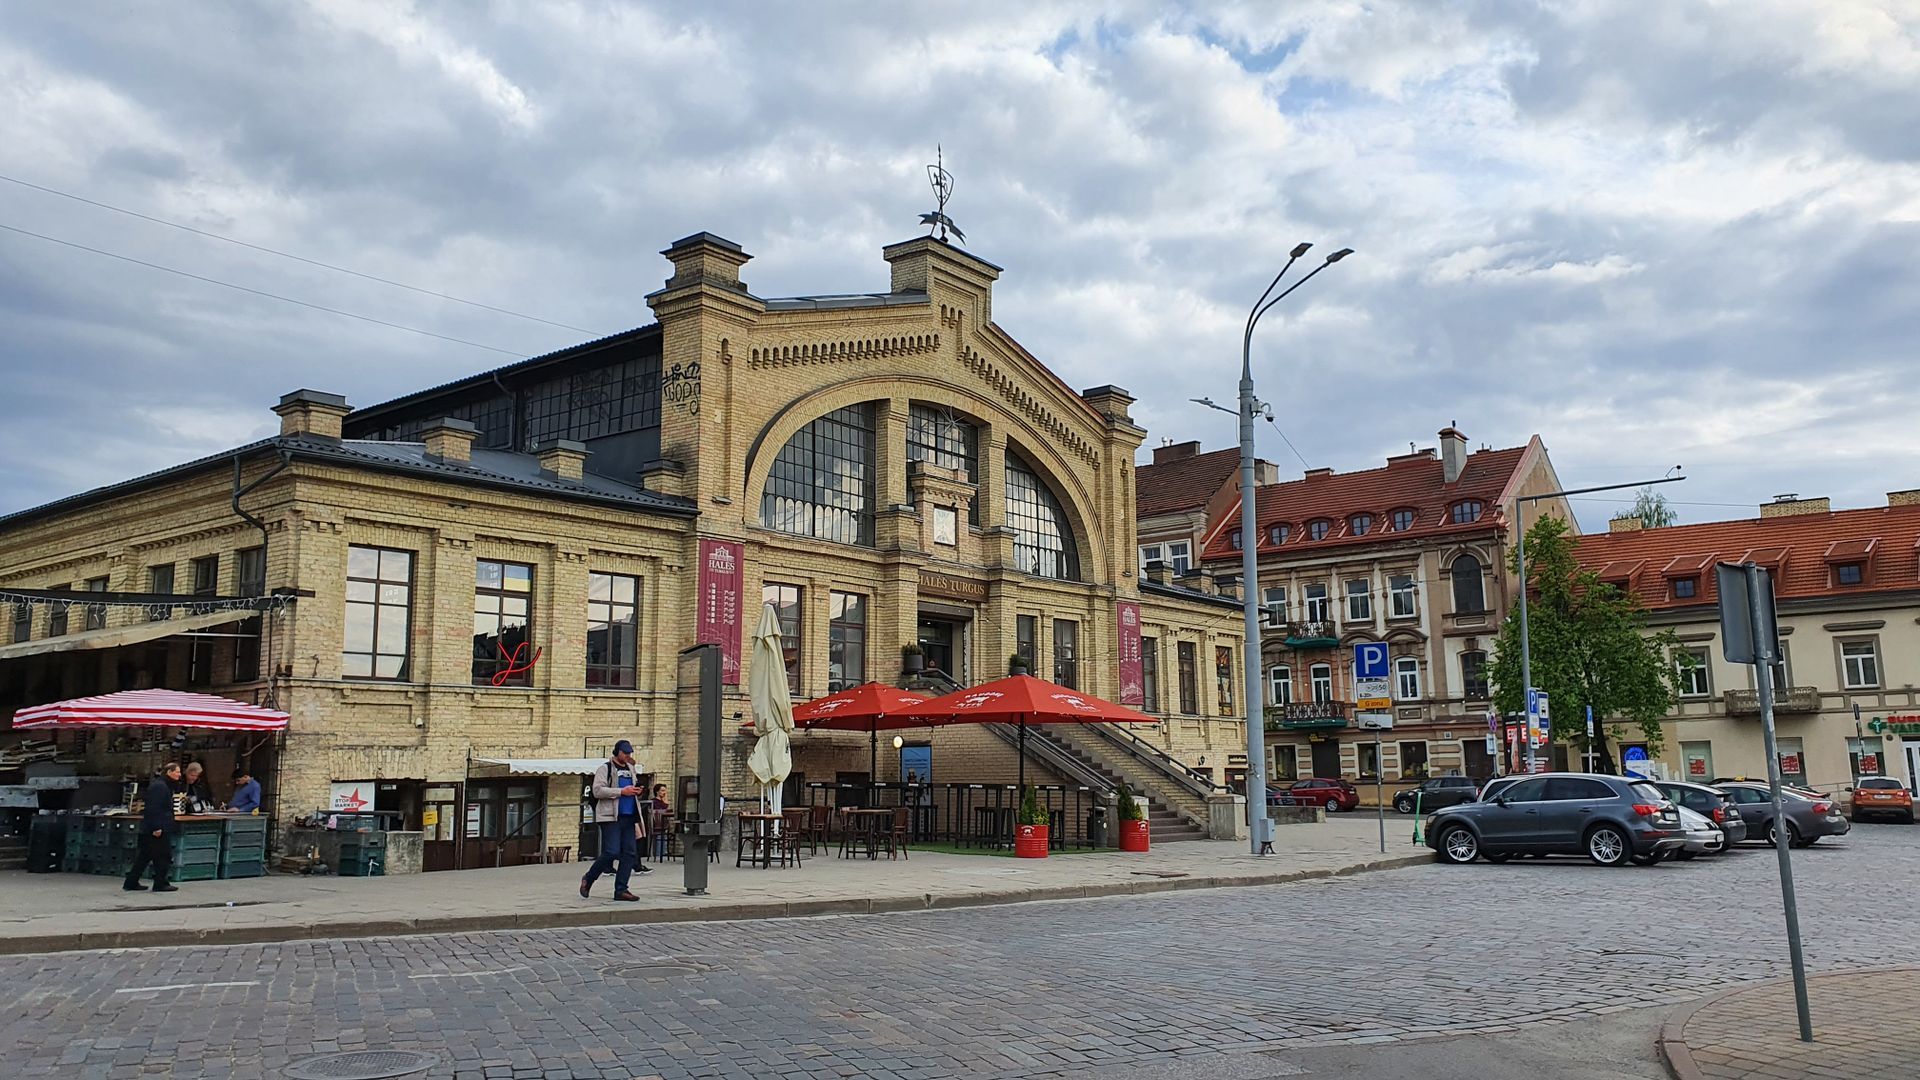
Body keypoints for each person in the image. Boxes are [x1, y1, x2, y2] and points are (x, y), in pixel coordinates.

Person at [579, 740, 651, 901]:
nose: (627, 755)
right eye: (625, 752)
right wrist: (621, 792)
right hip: (611, 816)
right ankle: (589, 878)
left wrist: (636, 791)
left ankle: (621, 890)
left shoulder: (631, 768)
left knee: (629, 853)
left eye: (629, 753)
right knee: (611, 851)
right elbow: (597, 790)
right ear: (617, 752)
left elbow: (631, 788)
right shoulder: (605, 768)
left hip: (629, 815)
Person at [124, 763, 182, 892]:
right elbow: (154, 808)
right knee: (163, 856)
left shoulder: (162, 785)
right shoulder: (160, 787)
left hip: (153, 826)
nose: (179, 774)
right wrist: (157, 827)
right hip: (157, 827)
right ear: (169, 772)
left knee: (145, 855)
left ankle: (131, 882)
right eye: (177, 772)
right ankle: (160, 883)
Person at [648, 783, 671, 861]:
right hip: (656, 824)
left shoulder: (662, 801)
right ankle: (658, 854)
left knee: (664, 837)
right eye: (662, 790)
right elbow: (663, 809)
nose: (664, 792)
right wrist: (665, 800)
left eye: (665, 791)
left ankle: (663, 853)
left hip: (664, 823)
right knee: (659, 837)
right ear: (657, 792)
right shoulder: (654, 802)